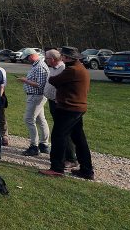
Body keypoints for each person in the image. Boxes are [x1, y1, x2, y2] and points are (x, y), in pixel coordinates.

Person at [40, 46, 94, 180]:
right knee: (79, 139)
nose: (61, 58)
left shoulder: (72, 70)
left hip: (69, 108)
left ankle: (57, 168)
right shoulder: (80, 68)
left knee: (59, 137)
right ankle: (86, 170)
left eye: (63, 56)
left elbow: (53, 80)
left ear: (68, 58)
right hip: (77, 108)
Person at [43, 49, 78, 169]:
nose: (45, 60)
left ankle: (71, 158)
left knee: (63, 132)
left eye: (47, 58)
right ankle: (63, 154)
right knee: (60, 131)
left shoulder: (63, 68)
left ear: (52, 59)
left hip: (60, 103)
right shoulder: (52, 68)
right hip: (53, 102)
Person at [17, 53, 50, 156]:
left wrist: (25, 80)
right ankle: (44, 145)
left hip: (36, 96)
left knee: (29, 119)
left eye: (27, 58)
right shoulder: (37, 65)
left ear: (31, 56)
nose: (27, 60)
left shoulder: (39, 66)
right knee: (41, 120)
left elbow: (40, 85)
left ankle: (34, 147)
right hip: (36, 96)